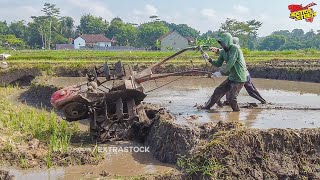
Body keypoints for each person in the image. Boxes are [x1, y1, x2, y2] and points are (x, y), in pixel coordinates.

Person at [212, 37, 266, 105]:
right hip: (235, 74)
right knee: (230, 88)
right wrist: (217, 51)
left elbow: (230, 57)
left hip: (243, 74)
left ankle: (262, 101)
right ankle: (227, 101)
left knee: (250, 90)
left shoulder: (236, 50)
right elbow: (226, 51)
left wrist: (221, 72)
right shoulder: (231, 49)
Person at [200, 32, 247, 111]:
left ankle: (236, 113)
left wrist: (221, 72)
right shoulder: (223, 52)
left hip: (239, 78)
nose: (222, 45)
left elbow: (230, 63)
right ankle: (206, 108)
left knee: (232, 98)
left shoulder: (235, 48)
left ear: (228, 41)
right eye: (221, 43)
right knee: (218, 91)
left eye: (223, 43)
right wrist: (209, 59)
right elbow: (218, 63)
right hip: (232, 77)